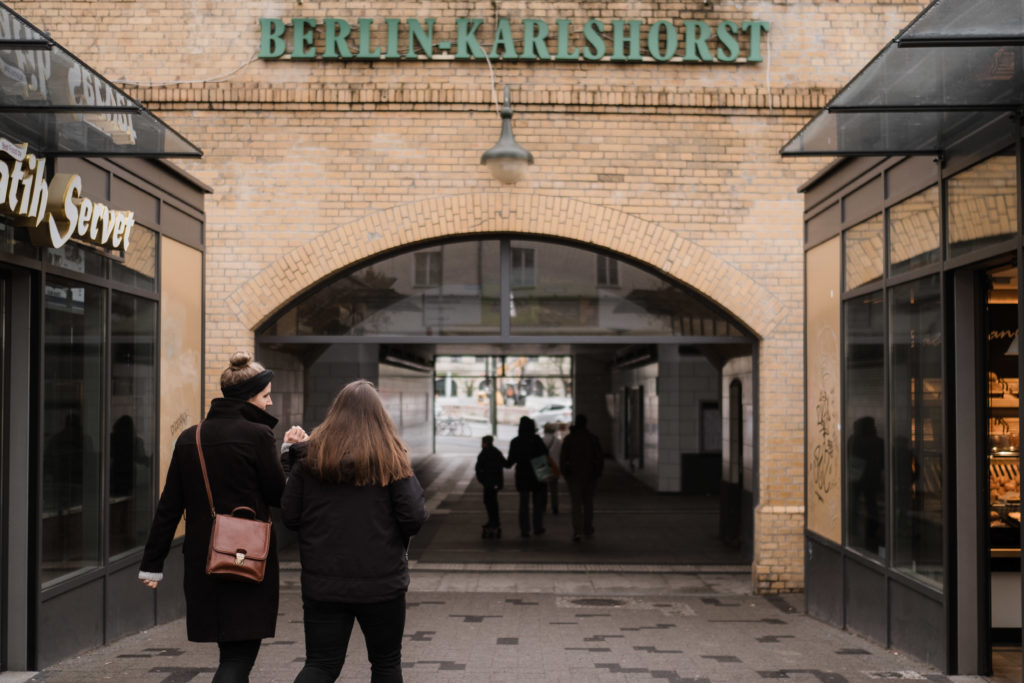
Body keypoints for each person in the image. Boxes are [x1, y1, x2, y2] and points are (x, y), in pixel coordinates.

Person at [139, 351, 286, 683]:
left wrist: (153, 562)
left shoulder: (190, 437)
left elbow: (169, 506)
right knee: (238, 658)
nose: (270, 402)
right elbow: (279, 496)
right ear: (249, 397)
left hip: (204, 560)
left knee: (230, 652)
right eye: (266, 395)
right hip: (248, 559)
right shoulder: (258, 436)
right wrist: (291, 460)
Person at [281, 380, 427, 683]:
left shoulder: (309, 459)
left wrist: (290, 462)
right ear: (380, 417)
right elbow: (413, 517)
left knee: (321, 664)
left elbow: (291, 517)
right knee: (386, 664)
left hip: (324, 583)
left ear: (335, 413)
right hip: (382, 583)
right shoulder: (391, 458)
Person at [560, 414, 603, 542]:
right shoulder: (592, 439)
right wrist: (597, 473)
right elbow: (599, 459)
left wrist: (565, 474)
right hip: (590, 476)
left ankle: (577, 531)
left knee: (576, 504)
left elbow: (563, 458)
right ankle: (588, 528)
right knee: (588, 503)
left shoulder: (569, 439)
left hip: (573, 476)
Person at [506, 415, 549, 538]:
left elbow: (510, 462)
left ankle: (525, 530)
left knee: (523, 504)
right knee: (538, 504)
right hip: (537, 475)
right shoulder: (537, 440)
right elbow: (545, 455)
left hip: (522, 475)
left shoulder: (516, 442)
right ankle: (538, 527)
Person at [475, 435, 507, 537]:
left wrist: (482, 480)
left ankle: (492, 521)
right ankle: (494, 522)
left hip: (488, 483)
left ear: (485, 443)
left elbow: (478, 468)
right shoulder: (496, 452)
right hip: (496, 483)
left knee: (488, 502)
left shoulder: (483, 454)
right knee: (493, 503)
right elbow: (505, 463)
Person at [541, 422, 562, 515]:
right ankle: (555, 507)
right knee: (554, 489)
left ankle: (543, 507)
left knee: (543, 489)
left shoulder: (541, 440)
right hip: (555, 467)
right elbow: (561, 455)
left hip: (543, 467)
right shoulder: (558, 441)